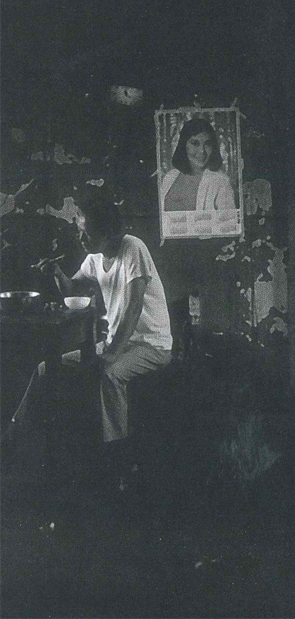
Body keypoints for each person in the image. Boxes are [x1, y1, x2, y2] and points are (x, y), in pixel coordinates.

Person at [46, 192, 173, 488]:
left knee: (109, 374)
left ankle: (117, 458)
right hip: (120, 343)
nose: (81, 238)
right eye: (80, 231)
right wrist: (56, 273)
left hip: (152, 345)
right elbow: (71, 289)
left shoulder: (133, 249)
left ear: (106, 232)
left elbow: (134, 306)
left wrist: (113, 352)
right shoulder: (95, 257)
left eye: (85, 232)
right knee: (47, 366)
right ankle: (16, 432)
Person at [161, 117, 236, 212]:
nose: (202, 151)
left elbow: (229, 224)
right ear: (184, 145)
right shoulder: (169, 178)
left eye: (207, 144)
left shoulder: (220, 182)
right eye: (195, 143)